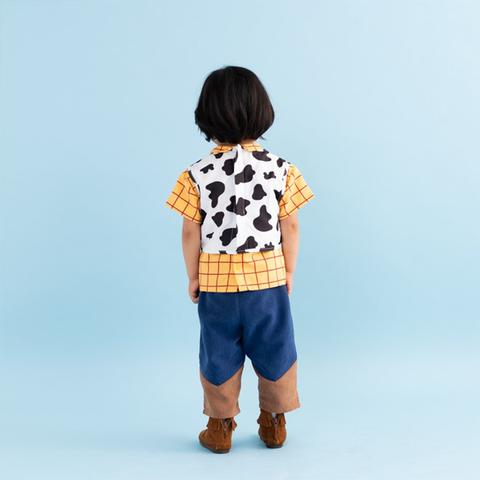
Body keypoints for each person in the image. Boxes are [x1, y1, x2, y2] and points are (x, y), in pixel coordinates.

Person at [165, 66, 314, 453]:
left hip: (217, 286)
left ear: (206, 116)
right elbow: (290, 225)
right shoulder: (281, 170)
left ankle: (219, 427)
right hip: (268, 282)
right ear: (262, 111)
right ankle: (274, 422)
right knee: (276, 346)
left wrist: (193, 276)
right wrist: (289, 269)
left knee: (218, 350)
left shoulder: (195, 174)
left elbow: (190, 232)